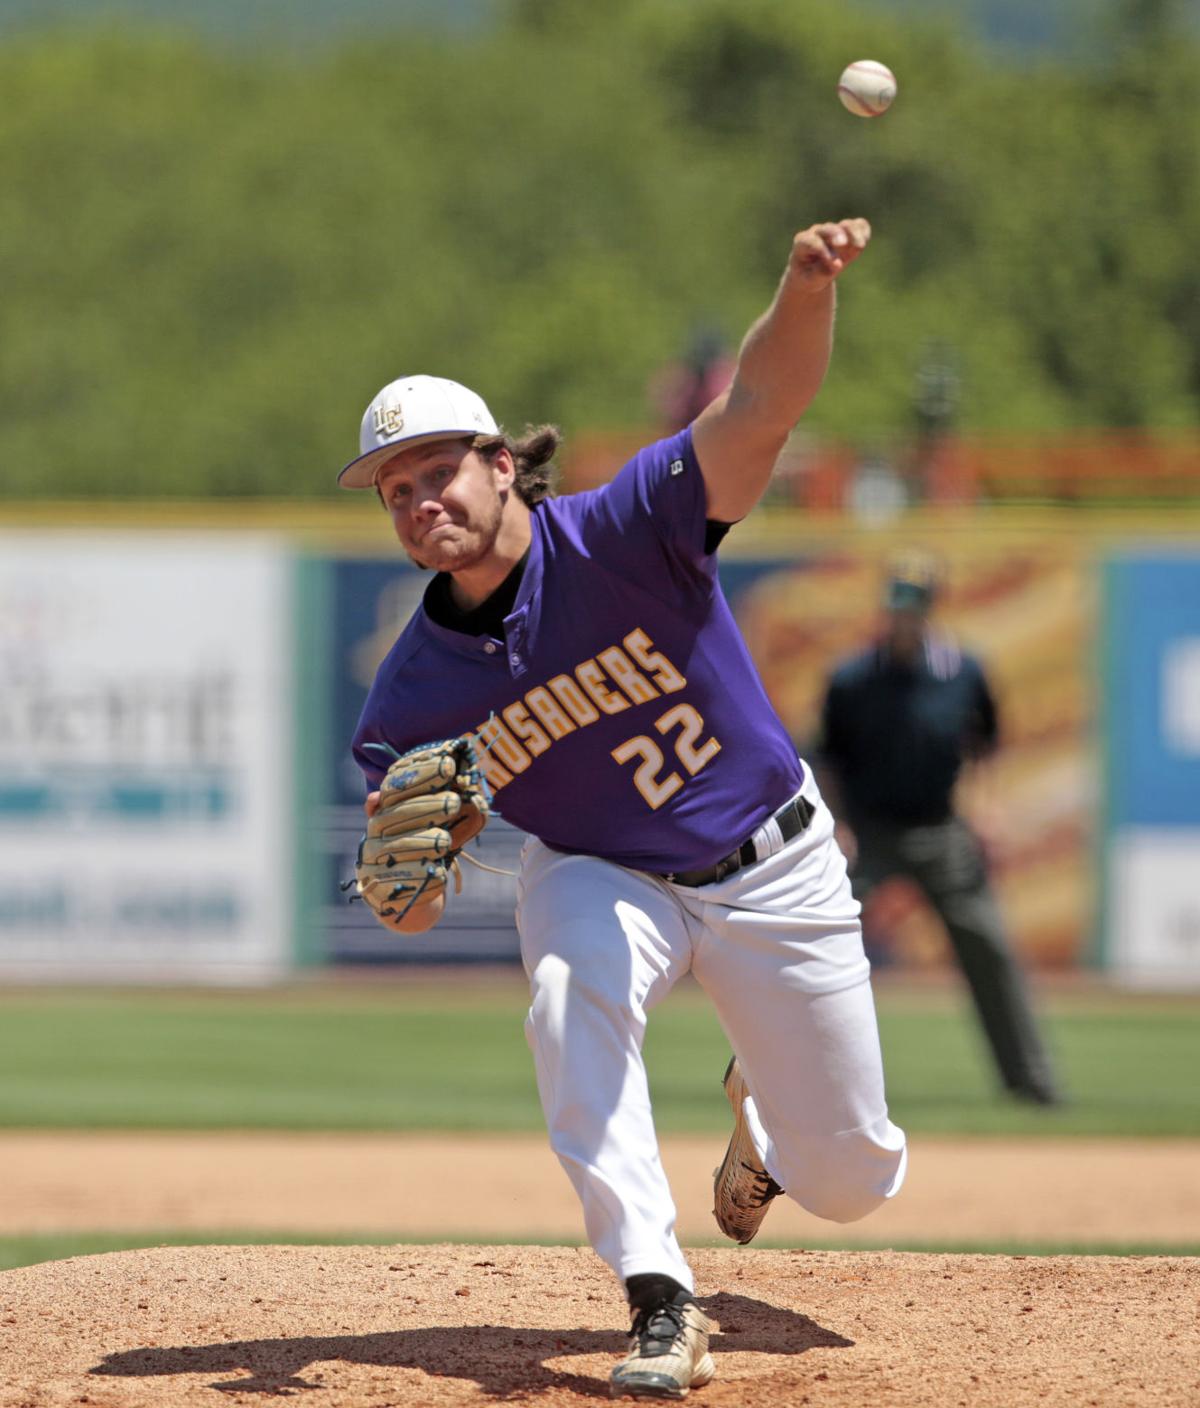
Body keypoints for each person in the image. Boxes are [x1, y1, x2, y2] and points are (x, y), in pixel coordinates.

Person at [339, 219, 907, 1400]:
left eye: (438, 470)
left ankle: (764, 1118)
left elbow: (762, 406)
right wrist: (407, 892)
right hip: (601, 869)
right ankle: (659, 1294)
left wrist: (805, 287)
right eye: (397, 491)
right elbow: (406, 896)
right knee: (566, 990)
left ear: (503, 463)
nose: (420, 500)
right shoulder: (412, 692)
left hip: (772, 861)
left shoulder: (630, 525)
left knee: (853, 1178)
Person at [816, 551, 1062, 1107]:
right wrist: (838, 826)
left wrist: (987, 808)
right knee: (812, 943)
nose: (906, 611)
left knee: (989, 949)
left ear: (931, 605)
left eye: (916, 600)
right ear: (885, 604)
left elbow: (985, 745)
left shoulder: (963, 671)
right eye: (898, 599)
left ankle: (1032, 1081)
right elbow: (827, 758)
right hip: (867, 836)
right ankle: (799, 1080)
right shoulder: (852, 678)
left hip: (942, 831)